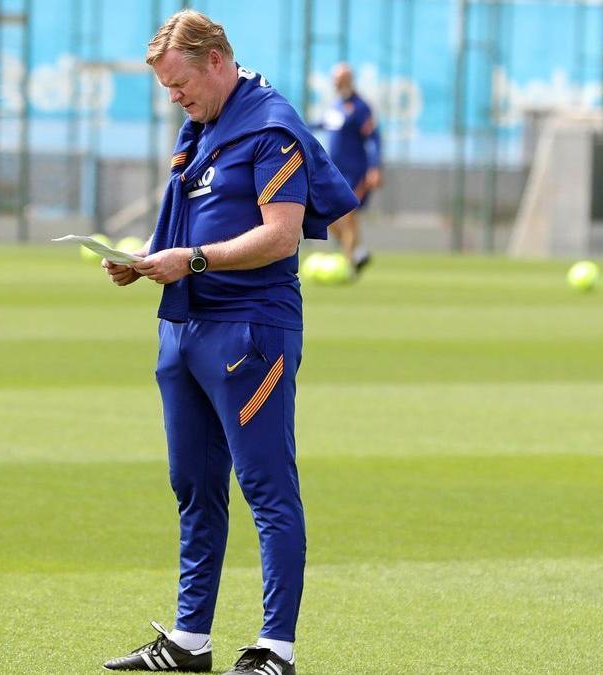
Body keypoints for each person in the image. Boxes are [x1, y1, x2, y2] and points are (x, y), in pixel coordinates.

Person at [100, 10, 358, 675]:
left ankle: (276, 648)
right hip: (184, 326)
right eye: (166, 88)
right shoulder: (204, 123)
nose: (174, 98)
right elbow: (194, 218)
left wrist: (193, 260)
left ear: (216, 60)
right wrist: (145, 259)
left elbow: (281, 234)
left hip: (250, 332)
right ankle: (189, 639)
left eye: (179, 84)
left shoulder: (270, 127)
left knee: (267, 488)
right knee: (194, 485)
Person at [321, 62, 382, 273]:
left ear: (348, 80)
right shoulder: (335, 106)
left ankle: (348, 266)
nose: (335, 83)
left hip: (355, 172)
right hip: (334, 172)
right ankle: (358, 253)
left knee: (348, 215)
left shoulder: (360, 107)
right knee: (327, 216)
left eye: (338, 79)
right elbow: (321, 124)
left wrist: (374, 168)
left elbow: (374, 138)